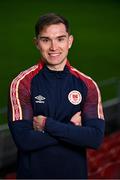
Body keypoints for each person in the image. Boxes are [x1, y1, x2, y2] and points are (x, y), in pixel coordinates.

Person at [8, 13, 105, 179]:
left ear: (70, 41)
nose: (54, 47)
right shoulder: (22, 83)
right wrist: (73, 129)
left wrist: (47, 125)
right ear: (37, 43)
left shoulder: (88, 85)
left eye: (60, 39)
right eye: (46, 40)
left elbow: (95, 138)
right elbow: (24, 140)